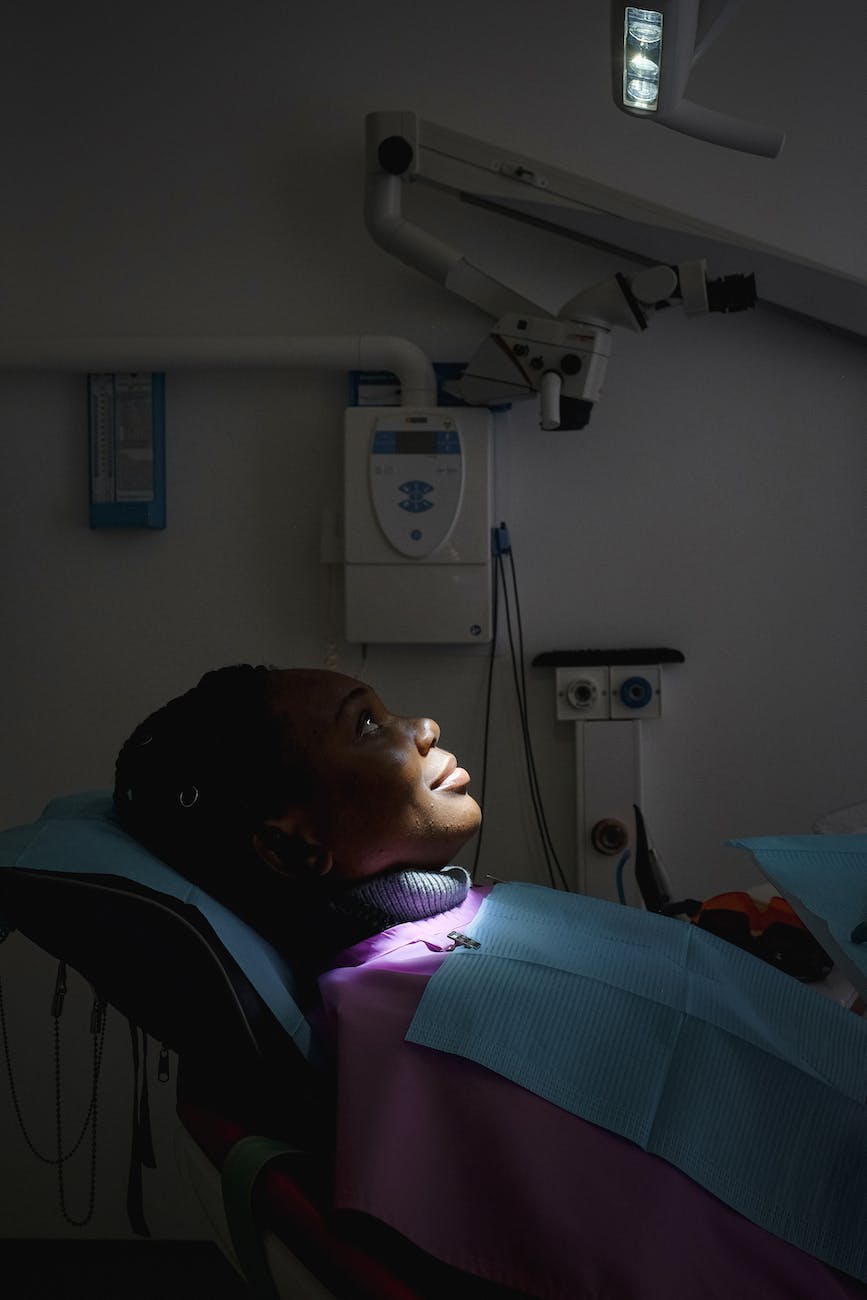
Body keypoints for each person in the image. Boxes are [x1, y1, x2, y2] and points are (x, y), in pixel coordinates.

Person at [114, 665, 866, 1300]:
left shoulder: (454, 925)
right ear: (293, 842)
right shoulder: (420, 1017)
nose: (424, 726)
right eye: (368, 727)